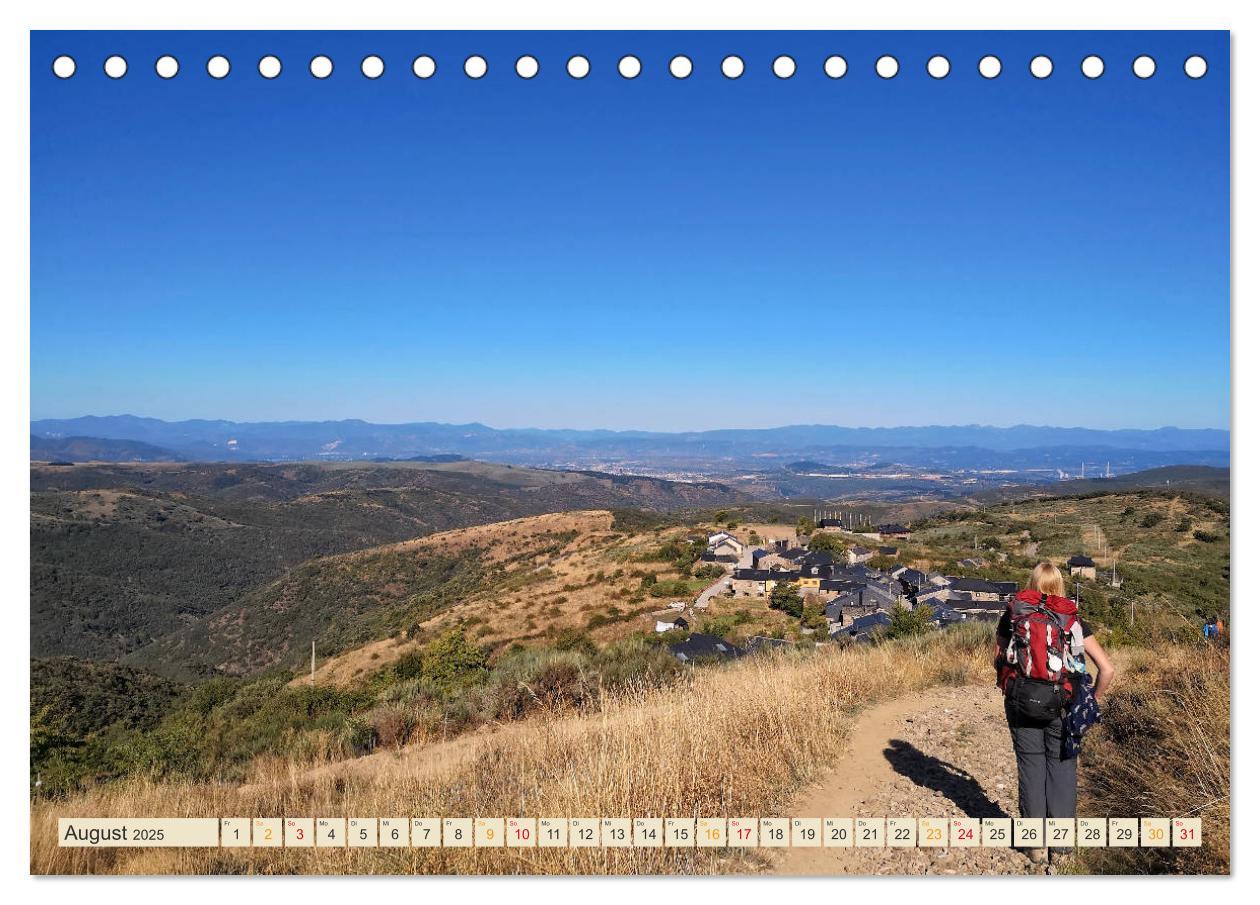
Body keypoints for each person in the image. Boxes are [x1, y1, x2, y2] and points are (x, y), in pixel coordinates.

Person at [996, 561, 1115, 866]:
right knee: (1061, 769)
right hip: (1063, 705)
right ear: (1060, 586)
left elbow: (998, 659)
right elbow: (1107, 668)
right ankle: (1060, 849)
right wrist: (1091, 699)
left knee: (1030, 768)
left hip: (1021, 702)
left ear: (1031, 583)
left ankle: (1034, 846)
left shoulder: (1013, 615)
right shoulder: (1072, 621)